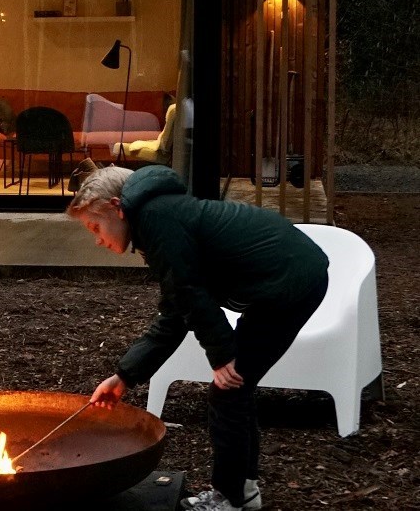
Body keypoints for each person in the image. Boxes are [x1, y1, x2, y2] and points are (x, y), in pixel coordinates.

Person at [68, 164, 329, 511]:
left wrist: (222, 356)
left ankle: (230, 498)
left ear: (117, 207)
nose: (98, 239)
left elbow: (189, 294)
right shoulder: (157, 219)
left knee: (228, 391)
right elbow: (176, 311)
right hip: (285, 281)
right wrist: (124, 376)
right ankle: (243, 492)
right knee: (236, 390)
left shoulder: (157, 219)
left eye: (95, 227)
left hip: (289, 282)